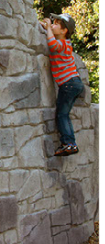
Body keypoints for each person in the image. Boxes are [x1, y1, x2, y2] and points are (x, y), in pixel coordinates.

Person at [40, 14, 83, 156]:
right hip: (73, 83)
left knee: (62, 115)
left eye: (56, 24)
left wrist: (48, 29)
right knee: (64, 114)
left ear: (64, 31)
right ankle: (70, 143)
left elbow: (52, 46)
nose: (52, 25)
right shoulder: (65, 43)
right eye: (53, 23)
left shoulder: (64, 44)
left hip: (69, 83)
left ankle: (69, 144)